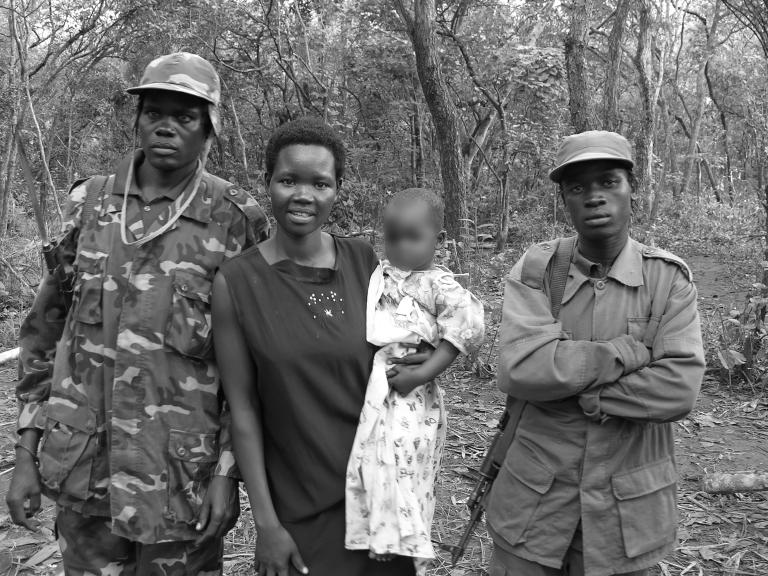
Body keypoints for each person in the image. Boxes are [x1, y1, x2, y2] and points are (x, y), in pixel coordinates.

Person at [7, 52, 269, 575]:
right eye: (154, 112)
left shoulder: (235, 218)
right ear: (137, 119)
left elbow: (253, 365)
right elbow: (44, 333)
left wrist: (226, 472)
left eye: (186, 116)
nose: (166, 126)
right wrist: (25, 452)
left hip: (178, 479)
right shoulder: (89, 204)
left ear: (210, 128)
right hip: (85, 470)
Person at [212, 118, 431, 576]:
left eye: (320, 183)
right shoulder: (236, 283)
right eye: (288, 180)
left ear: (337, 190)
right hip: (304, 505)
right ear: (268, 183)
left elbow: (401, 349)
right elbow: (244, 409)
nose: (303, 195)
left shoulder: (364, 261)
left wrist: (425, 357)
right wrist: (267, 525)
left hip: (382, 496)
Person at [486, 131, 705, 576]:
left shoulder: (668, 280)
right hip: (535, 503)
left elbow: (678, 388)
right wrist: (624, 353)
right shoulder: (537, 269)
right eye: (577, 188)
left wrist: (586, 393)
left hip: (627, 514)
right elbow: (520, 369)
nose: (594, 198)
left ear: (632, 190)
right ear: (564, 200)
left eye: (608, 182)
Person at [344, 187, 484, 574]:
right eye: (392, 237)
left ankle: (403, 535)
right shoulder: (381, 275)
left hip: (412, 392)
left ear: (437, 240)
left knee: (404, 461)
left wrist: (424, 370)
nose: (401, 246)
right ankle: (380, 528)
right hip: (380, 385)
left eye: (412, 237)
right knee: (374, 457)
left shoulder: (439, 284)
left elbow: (467, 326)